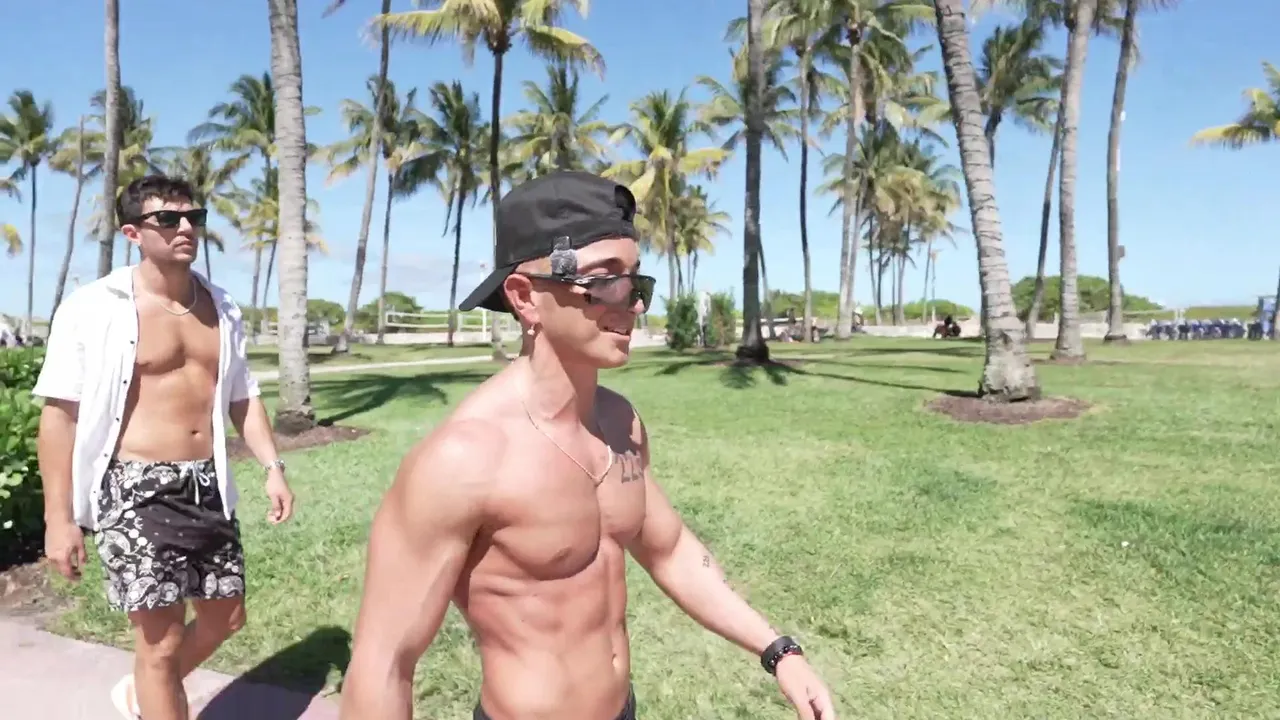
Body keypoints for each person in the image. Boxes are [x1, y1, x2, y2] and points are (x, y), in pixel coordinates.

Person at [340, 171, 836, 720]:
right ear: (525, 297)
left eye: (636, 282)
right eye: (605, 281)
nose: (634, 304)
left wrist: (779, 651)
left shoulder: (619, 423)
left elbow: (670, 549)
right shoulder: (465, 460)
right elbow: (384, 662)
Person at [33, 174, 296, 720]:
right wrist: (59, 519)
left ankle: (143, 695)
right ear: (133, 232)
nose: (186, 229)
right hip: (135, 488)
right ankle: (156, 695)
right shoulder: (92, 307)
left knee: (226, 618)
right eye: (168, 219)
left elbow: (243, 395)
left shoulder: (221, 306)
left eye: (193, 217)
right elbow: (59, 416)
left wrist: (273, 466)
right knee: (161, 644)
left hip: (207, 484)